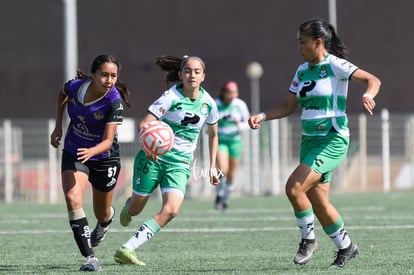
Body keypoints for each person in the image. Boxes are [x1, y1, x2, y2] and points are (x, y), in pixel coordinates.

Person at [248, 18, 381, 268]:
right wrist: (263, 116)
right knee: (319, 202)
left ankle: (308, 241)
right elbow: (288, 107)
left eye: (303, 42)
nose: (299, 48)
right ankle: (347, 247)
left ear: (318, 42)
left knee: (293, 187)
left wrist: (367, 95)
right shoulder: (301, 70)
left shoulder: (335, 64)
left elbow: (373, 80)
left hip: (332, 139)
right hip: (309, 142)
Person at [113, 55, 220, 265]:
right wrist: (148, 145)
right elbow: (145, 124)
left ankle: (127, 249)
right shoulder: (170, 97)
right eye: (188, 71)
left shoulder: (209, 104)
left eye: (197, 71)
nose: (192, 75)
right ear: (180, 74)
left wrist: (213, 166)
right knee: (136, 208)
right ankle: (128, 208)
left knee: (171, 210)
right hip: (153, 159)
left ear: (203, 76)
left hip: (179, 164)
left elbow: (213, 135)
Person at [50, 54, 130, 272]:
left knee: (101, 213)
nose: (109, 80)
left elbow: (107, 141)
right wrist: (58, 126)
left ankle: (105, 222)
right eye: (104, 75)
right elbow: (62, 93)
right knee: (72, 197)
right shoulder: (75, 87)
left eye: (113, 76)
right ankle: (90, 258)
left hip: (104, 158)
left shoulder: (114, 101)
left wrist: (92, 151)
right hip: (75, 150)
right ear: (93, 74)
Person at [214, 81, 250, 211]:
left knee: (231, 174)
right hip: (220, 141)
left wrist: (238, 124)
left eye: (235, 92)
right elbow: (207, 121)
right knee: (223, 169)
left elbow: (248, 123)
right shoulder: (215, 104)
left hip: (235, 141)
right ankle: (219, 194)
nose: (232, 95)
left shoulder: (240, 105)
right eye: (230, 92)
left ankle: (225, 201)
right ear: (223, 93)